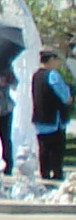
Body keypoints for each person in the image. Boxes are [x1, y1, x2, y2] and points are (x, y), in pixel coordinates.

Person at [33, 51, 72, 184]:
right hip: (54, 119)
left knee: (43, 148)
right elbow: (65, 96)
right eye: (56, 60)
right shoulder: (53, 75)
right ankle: (56, 174)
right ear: (51, 60)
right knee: (56, 149)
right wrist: (69, 97)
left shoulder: (36, 75)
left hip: (40, 118)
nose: (58, 63)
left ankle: (44, 175)